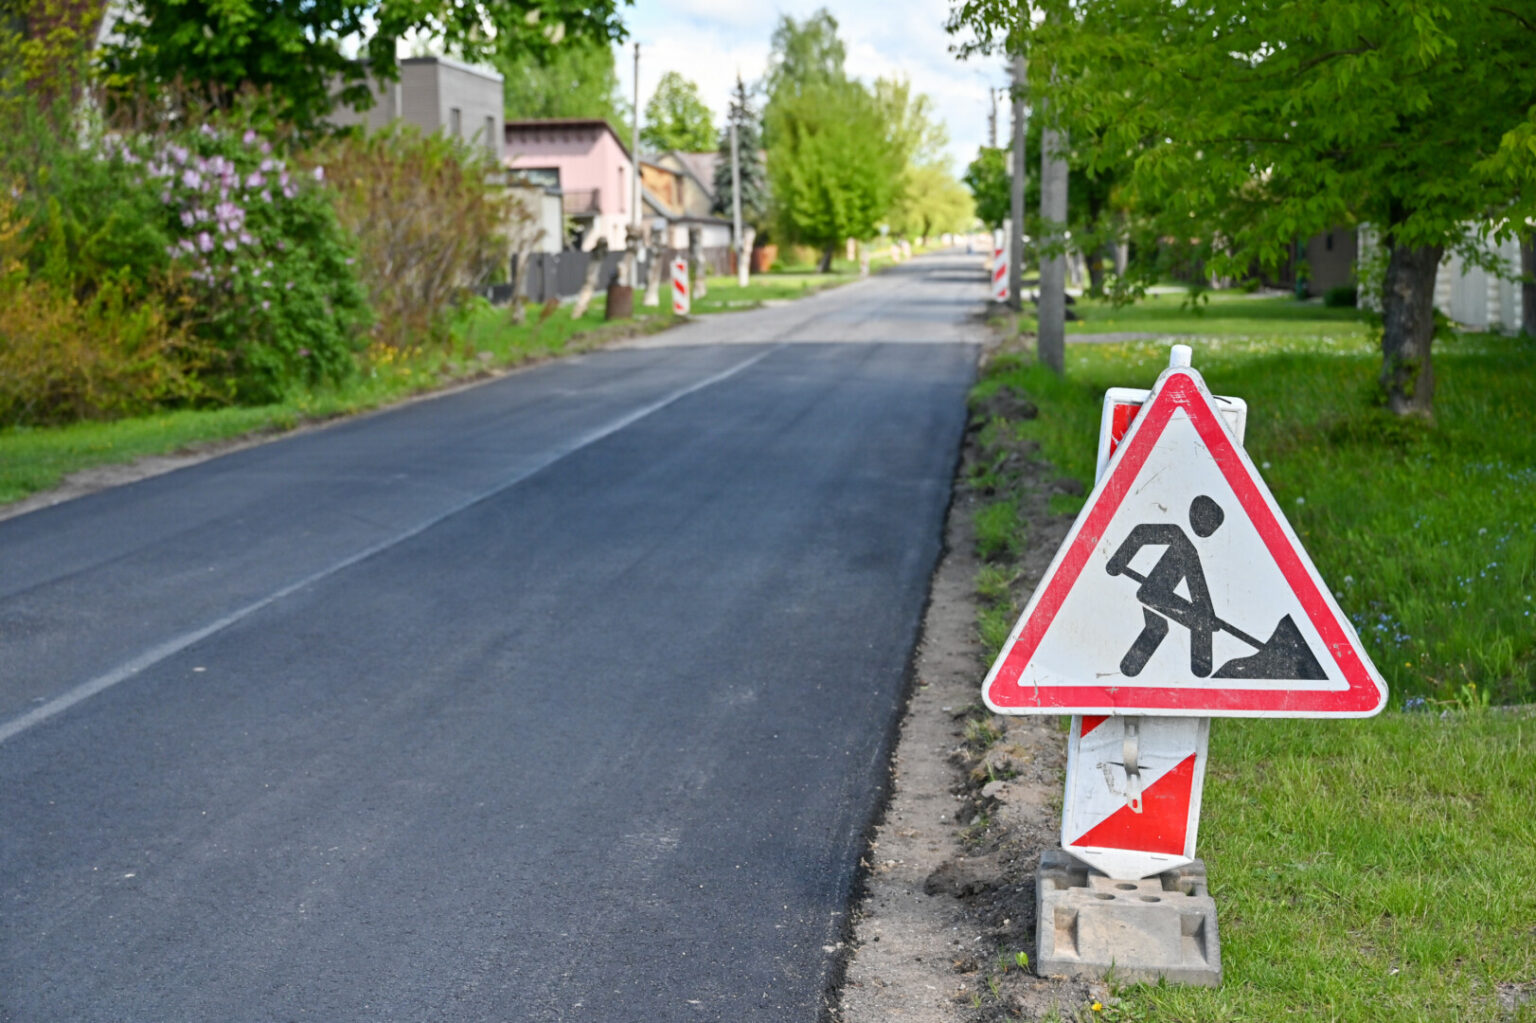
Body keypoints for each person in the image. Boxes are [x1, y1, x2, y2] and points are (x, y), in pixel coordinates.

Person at [1105, 495, 1225, 677]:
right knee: (1174, 625)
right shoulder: (1180, 539)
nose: (1210, 528)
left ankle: (1200, 665)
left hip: (1156, 592)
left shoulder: (1189, 551)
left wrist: (1207, 617)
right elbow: (1141, 533)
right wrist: (1117, 561)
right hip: (1154, 592)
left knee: (1158, 628)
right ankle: (1201, 664)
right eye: (1209, 522)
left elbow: (1198, 589)